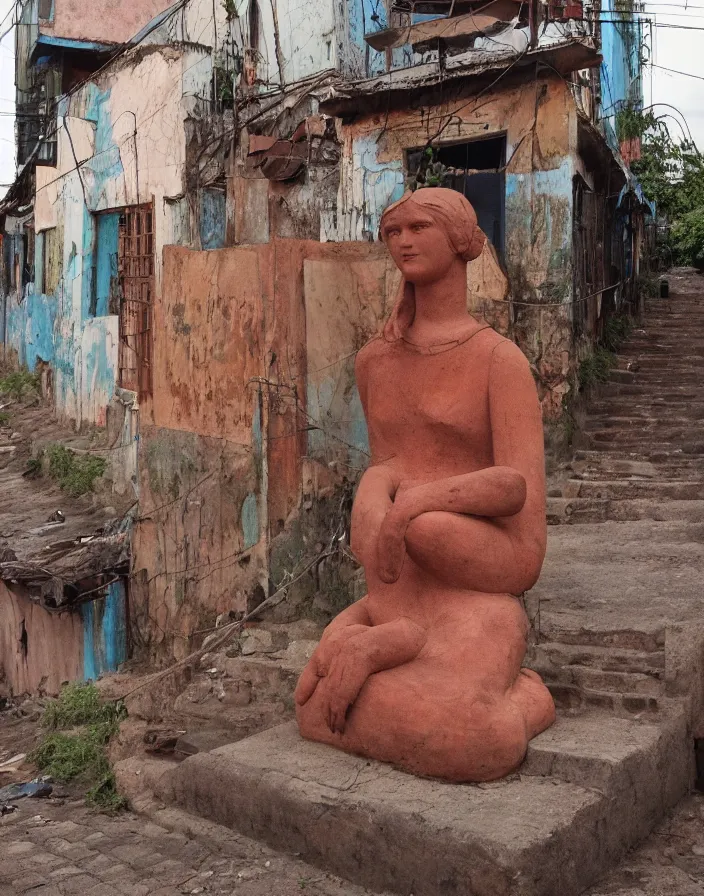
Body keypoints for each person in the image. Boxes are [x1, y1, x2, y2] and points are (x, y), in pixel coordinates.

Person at [295, 187, 555, 782]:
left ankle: (527, 701)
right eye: (394, 231)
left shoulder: (499, 361)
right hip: (402, 582)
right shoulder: (374, 363)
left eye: (419, 227)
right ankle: (392, 640)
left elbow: (516, 492)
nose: (404, 240)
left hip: (483, 566)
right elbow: (390, 465)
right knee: (314, 707)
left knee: (472, 741)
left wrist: (416, 502)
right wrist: (376, 486)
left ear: (461, 240)